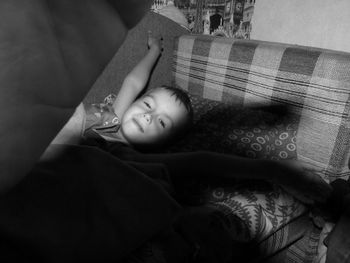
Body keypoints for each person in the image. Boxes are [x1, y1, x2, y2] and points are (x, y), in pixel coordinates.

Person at [52, 31, 193, 150]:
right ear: (134, 102)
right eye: (148, 105)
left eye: (162, 122)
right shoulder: (114, 117)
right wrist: (155, 50)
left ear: (163, 144)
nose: (148, 116)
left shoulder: (135, 162)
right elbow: (133, 82)